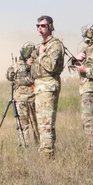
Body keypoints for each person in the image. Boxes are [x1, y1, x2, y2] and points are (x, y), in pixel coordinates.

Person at [33, 15, 65, 158]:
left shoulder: (55, 45)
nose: (40, 28)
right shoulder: (42, 45)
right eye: (38, 26)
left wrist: (41, 55)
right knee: (41, 124)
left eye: (43, 26)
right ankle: (45, 153)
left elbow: (51, 66)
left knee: (46, 124)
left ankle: (47, 157)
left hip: (48, 87)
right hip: (40, 87)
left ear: (50, 27)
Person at [5, 42, 39, 146]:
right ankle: (26, 148)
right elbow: (9, 76)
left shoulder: (34, 66)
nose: (31, 58)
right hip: (22, 100)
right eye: (29, 56)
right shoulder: (18, 66)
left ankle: (39, 148)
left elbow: (9, 76)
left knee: (36, 126)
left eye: (33, 56)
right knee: (24, 125)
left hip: (33, 99)